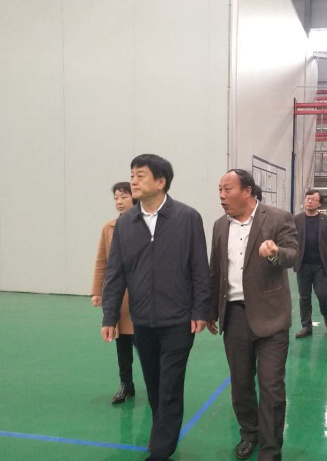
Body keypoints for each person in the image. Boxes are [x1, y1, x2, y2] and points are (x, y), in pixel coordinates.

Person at [102, 154, 211, 461]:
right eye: (132, 175)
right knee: (154, 384)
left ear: (161, 182)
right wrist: (110, 316)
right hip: (142, 321)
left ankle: (161, 449)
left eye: (140, 176)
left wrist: (200, 310)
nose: (133, 181)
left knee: (170, 385)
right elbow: (115, 273)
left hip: (178, 320)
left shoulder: (187, 218)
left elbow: (199, 269)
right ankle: (161, 433)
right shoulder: (125, 224)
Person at [207, 169, 298, 461]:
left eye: (227, 189)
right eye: (219, 190)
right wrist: (211, 311)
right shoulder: (220, 225)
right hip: (234, 317)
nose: (222, 196)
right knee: (241, 384)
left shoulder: (278, 218)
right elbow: (215, 270)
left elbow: (292, 254)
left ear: (247, 191)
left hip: (271, 318)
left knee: (271, 387)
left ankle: (270, 450)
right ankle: (249, 433)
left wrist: (274, 252)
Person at [91, 182, 138, 404]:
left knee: (145, 345)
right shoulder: (109, 228)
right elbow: (102, 261)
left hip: (142, 296)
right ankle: (126, 384)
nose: (119, 202)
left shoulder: (145, 225)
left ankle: (156, 385)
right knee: (122, 344)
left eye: (124, 197)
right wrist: (97, 291)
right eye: (116, 198)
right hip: (119, 298)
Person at [293, 189, 327, 338]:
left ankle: (326, 314)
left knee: (323, 294)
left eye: (313, 199)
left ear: (319, 204)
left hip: (320, 265)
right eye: (307, 198)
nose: (309, 201)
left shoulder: (326, 220)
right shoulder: (296, 219)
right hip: (302, 264)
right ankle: (306, 326)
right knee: (304, 297)